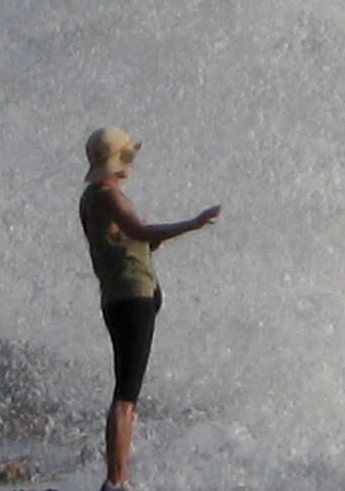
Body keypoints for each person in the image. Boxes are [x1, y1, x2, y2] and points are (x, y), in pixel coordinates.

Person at [79, 126, 220, 491]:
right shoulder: (108, 196)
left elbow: (127, 242)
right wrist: (193, 223)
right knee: (126, 395)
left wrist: (148, 244)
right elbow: (140, 232)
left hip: (121, 296)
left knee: (127, 391)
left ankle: (117, 479)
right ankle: (116, 481)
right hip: (132, 297)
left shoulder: (92, 196)